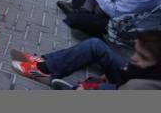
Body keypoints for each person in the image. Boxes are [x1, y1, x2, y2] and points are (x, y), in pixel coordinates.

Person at [10, 31, 161, 89]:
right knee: (95, 45)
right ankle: (44, 65)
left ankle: (43, 72)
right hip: (135, 77)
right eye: (137, 52)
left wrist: (90, 88)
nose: (134, 58)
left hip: (131, 87)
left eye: (143, 57)